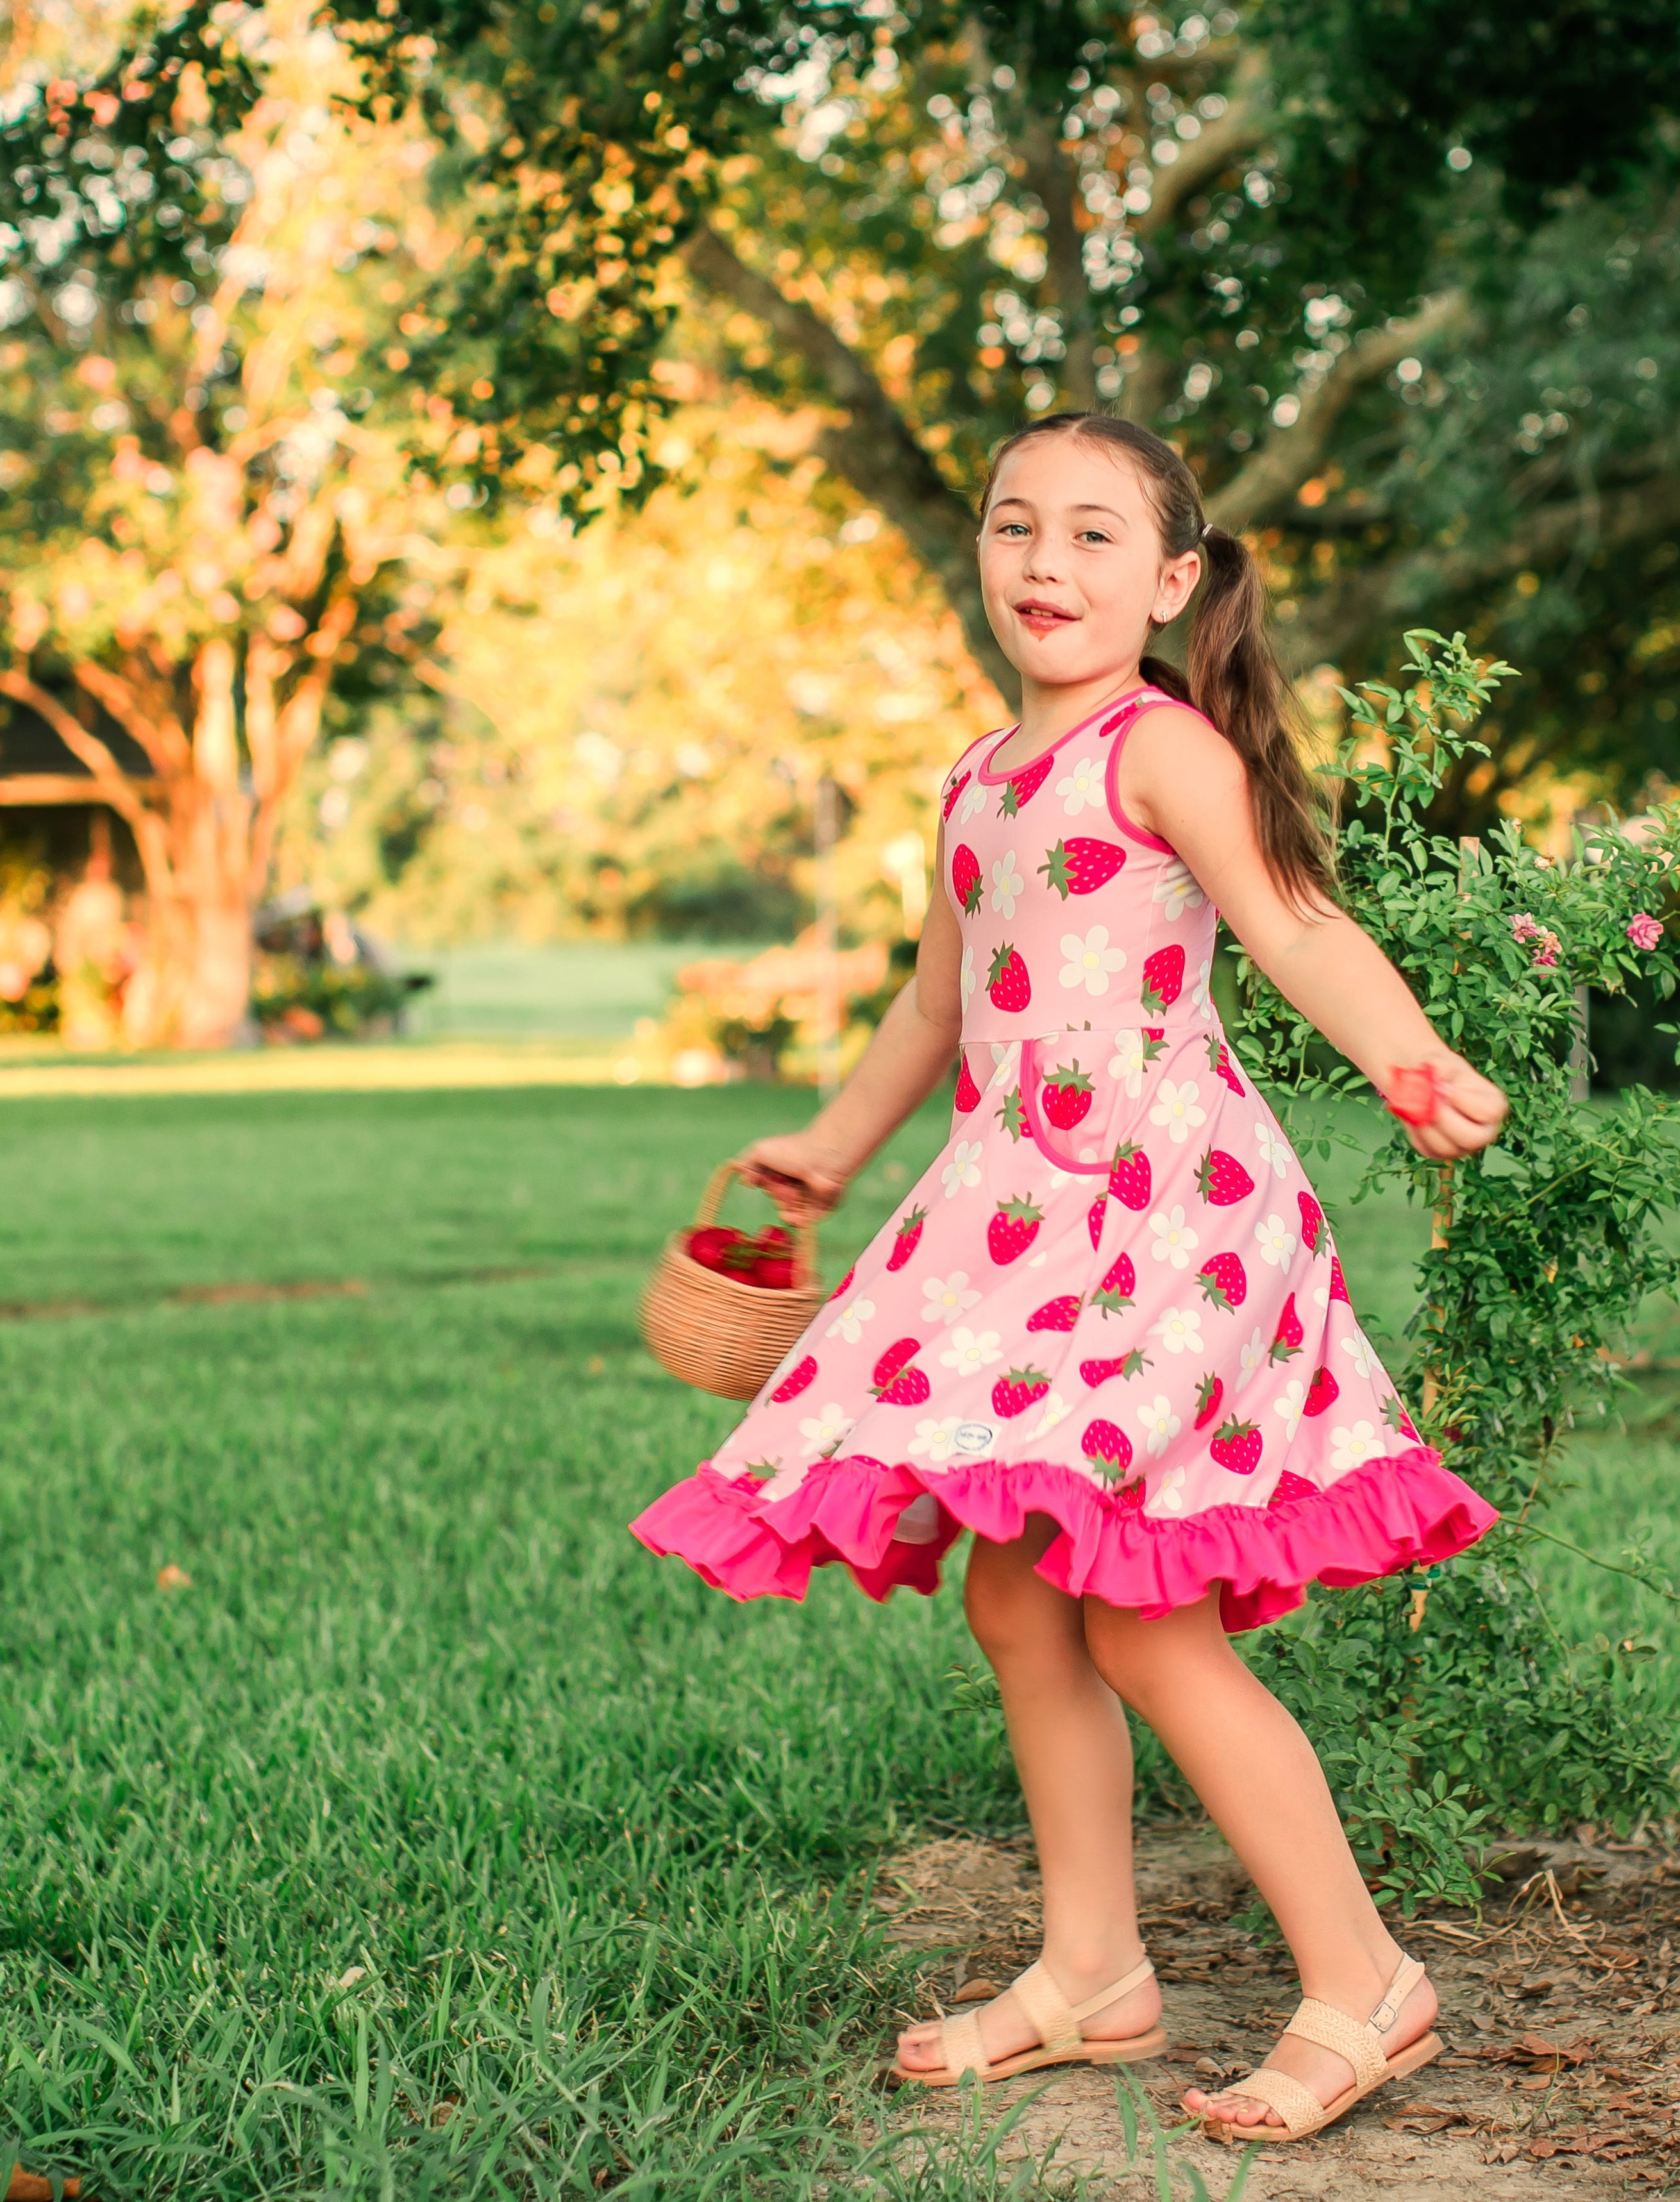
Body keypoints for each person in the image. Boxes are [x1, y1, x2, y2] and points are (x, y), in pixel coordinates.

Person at [630, 412, 1512, 2144]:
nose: (1047, 563)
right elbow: (930, 1008)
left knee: (1131, 1604)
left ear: (1175, 581)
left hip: (1163, 1203)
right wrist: (828, 1144)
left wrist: (1406, 1059)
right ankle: (1095, 1969)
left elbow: (1291, 918)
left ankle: (1363, 1979)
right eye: (1017, 526)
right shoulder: (976, 778)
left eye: (1097, 537)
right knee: (1020, 1596)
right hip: (1017, 1210)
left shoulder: (1161, 745)